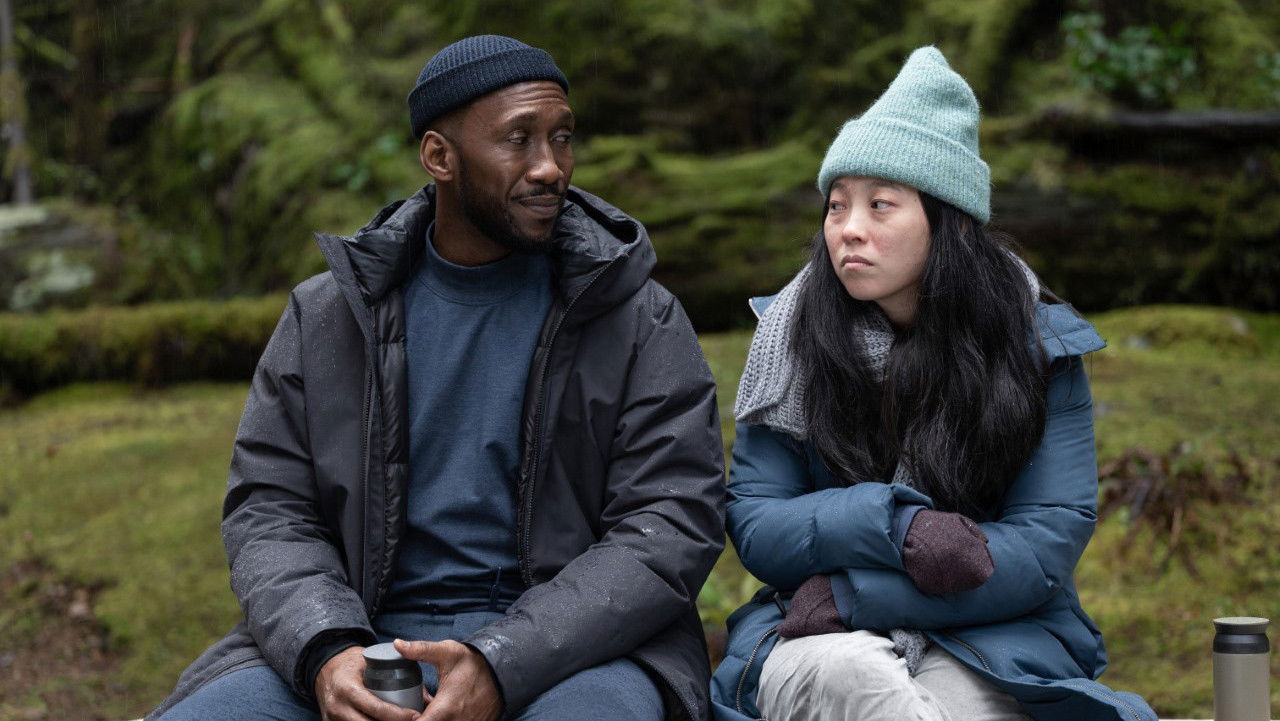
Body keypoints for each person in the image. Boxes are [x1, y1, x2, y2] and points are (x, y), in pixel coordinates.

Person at [148, 35, 726, 721]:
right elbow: (270, 510)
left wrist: (501, 660)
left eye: (562, 137)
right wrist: (326, 648)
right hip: (361, 637)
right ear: (439, 157)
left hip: (574, 653)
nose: (550, 166)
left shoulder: (638, 316)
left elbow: (668, 521)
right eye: (518, 139)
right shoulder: (327, 316)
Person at [709, 47, 1157, 721]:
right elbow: (758, 519)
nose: (849, 230)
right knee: (850, 678)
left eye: (880, 205)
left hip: (993, 632)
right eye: (837, 205)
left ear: (947, 219)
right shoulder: (791, 341)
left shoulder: (1035, 345)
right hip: (813, 628)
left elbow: (1045, 540)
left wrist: (858, 594)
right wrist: (895, 526)